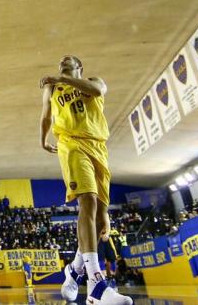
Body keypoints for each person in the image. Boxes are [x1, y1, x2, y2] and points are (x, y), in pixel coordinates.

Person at [40, 55, 131, 304]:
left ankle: (74, 270)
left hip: (98, 148)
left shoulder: (93, 81)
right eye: (60, 61)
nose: (63, 60)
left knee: (101, 220)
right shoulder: (52, 87)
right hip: (71, 144)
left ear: (80, 67)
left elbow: (97, 90)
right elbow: (47, 114)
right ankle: (96, 283)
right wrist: (43, 138)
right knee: (87, 202)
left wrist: (62, 78)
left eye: (69, 59)